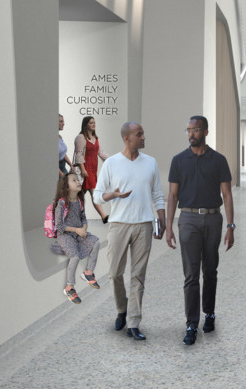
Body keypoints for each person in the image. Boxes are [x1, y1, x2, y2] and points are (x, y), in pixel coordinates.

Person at [165, 116, 235, 345]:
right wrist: (169, 227)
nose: (191, 134)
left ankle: (210, 313)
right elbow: (173, 195)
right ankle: (191, 324)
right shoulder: (178, 160)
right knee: (191, 274)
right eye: (188, 130)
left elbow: (227, 195)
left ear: (205, 131)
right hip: (188, 219)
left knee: (211, 270)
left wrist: (230, 226)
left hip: (213, 219)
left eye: (195, 130)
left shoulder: (218, 160)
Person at [95, 121, 166, 341]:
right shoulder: (111, 164)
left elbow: (157, 194)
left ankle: (134, 322)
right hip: (118, 225)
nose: (144, 137)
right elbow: (97, 195)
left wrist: (161, 218)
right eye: (140, 134)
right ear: (127, 138)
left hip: (144, 225)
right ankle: (121, 310)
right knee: (115, 273)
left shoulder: (150, 163)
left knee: (138, 276)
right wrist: (112, 195)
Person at [50, 167, 99, 304]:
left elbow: (83, 217)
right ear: (66, 186)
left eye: (78, 180)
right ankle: (69, 287)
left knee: (96, 242)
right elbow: (59, 226)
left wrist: (83, 227)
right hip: (65, 235)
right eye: (74, 180)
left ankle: (88, 272)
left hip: (78, 233)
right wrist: (76, 230)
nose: (78, 182)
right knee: (75, 256)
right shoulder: (61, 203)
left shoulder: (79, 201)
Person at [74, 116, 110, 221]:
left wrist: (112, 160)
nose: (94, 124)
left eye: (94, 122)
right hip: (86, 169)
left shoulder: (96, 138)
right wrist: (83, 169)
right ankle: (104, 216)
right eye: (91, 123)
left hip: (93, 170)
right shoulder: (81, 137)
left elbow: (100, 153)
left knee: (80, 195)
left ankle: (73, 215)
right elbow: (79, 154)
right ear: (85, 125)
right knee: (94, 193)